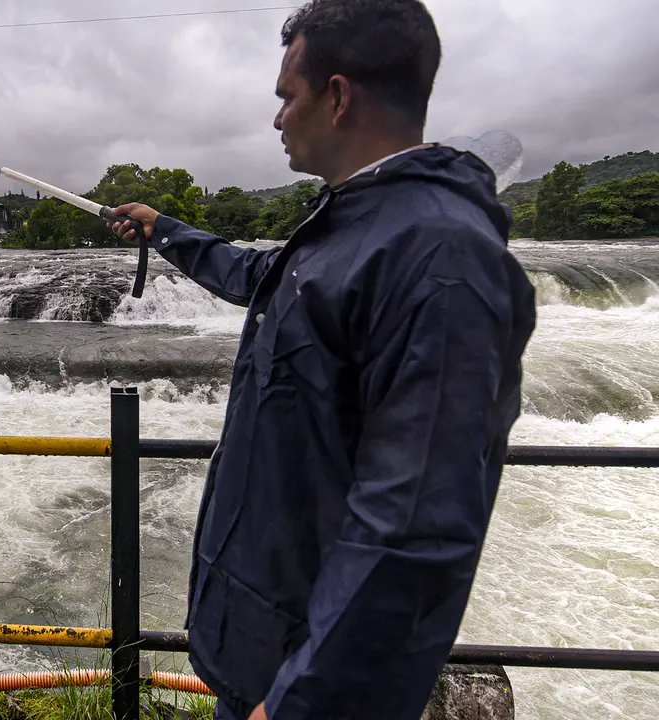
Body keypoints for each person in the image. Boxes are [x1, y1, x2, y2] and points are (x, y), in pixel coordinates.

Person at [107, 1, 538, 718]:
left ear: (337, 97)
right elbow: (256, 275)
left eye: (287, 96)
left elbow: (412, 525)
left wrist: (303, 701)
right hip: (268, 648)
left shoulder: (442, 259)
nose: (277, 118)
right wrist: (166, 229)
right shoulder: (352, 225)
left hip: (309, 685)